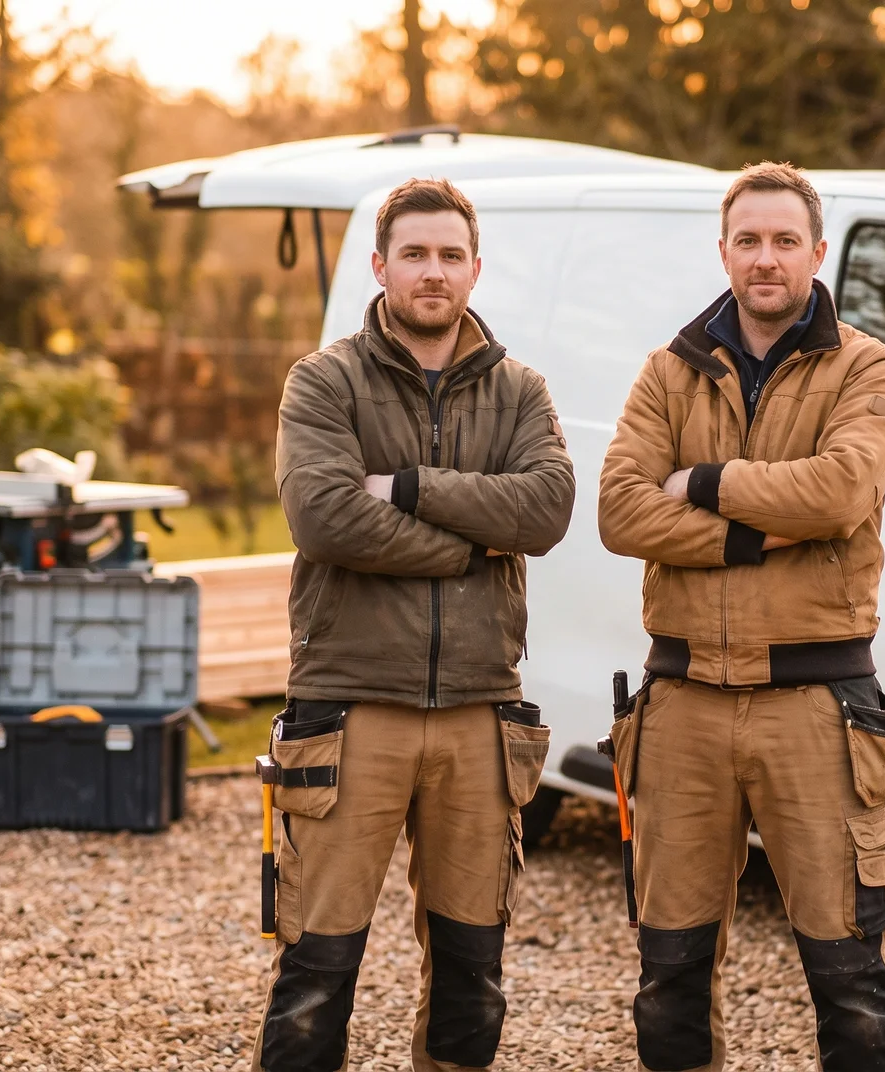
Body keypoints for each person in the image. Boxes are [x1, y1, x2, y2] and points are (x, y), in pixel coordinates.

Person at [598, 162, 885, 1072]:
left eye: (784, 241)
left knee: (851, 976)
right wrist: (753, 538)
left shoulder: (870, 366)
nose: (765, 258)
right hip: (683, 704)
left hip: (819, 709)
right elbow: (621, 512)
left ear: (817, 252)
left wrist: (698, 485)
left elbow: (841, 489)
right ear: (724, 250)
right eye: (748, 240)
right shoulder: (668, 372)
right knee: (670, 979)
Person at [255, 178, 576, 1072]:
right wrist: (470, 546)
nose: (432, 273)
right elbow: (323, 518)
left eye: (449, 256)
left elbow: (546, 511)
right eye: (414, 255)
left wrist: (404, 487)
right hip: (351, 711)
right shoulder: (323, 381)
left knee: (473, 978)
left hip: (480, 715)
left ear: (475, 269)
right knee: (317, 973)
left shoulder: (520, 390)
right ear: (381, 266)